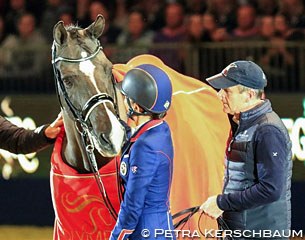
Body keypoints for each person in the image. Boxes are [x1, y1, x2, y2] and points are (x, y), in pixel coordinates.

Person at [200, 61, 292, 239]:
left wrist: (221, 203)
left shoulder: (267, 130)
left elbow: (271, 189)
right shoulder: (243, 123)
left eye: (227, 91)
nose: (219, 96)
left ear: (249, 95)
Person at [110, 64, 176, 240]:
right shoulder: (160, 131)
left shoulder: (144, 146)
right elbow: (128, 133)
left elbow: (133, 202)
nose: (124, 101)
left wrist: (117, 236)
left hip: (145, 231)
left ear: (137, 108)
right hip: (159, 224)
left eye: (127, 98)